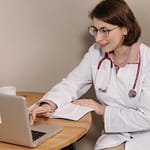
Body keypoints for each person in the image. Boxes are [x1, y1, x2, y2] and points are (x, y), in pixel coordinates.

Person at [29, 0, 150, 149]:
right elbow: (72, 83)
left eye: (105, 30)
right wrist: (50, 103)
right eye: (95, 30)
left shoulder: (147, 61)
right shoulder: (96, 53)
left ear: (125, 28)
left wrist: (103, 110)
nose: (98, 38)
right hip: (115, 135)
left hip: (146, 136)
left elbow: (147, 118)